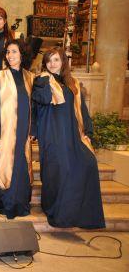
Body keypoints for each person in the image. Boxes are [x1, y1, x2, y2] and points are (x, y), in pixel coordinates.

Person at [32, 47, 105, 229]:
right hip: (51, 132)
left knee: (88, 163)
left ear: (63, 62)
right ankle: (57, 212)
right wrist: (46, 80)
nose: (52, 64)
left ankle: (79, 214)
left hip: (71, 133)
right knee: (58, 170)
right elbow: (42, 99)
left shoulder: (73, 83)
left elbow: (82, 110)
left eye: (56, 60)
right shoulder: (41, 80)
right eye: (49, 60)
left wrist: (87, 132)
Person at [0, 40, 34, 219]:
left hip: (23, 129)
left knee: (21, 164)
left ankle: (19, 202)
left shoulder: (30, 77)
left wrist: (33, 129)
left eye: (14, 52)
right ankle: (3, 203)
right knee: (4, 166)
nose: (10, 55)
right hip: (5, 130)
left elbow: (34, 106)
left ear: (22, 54)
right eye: (7, 52)